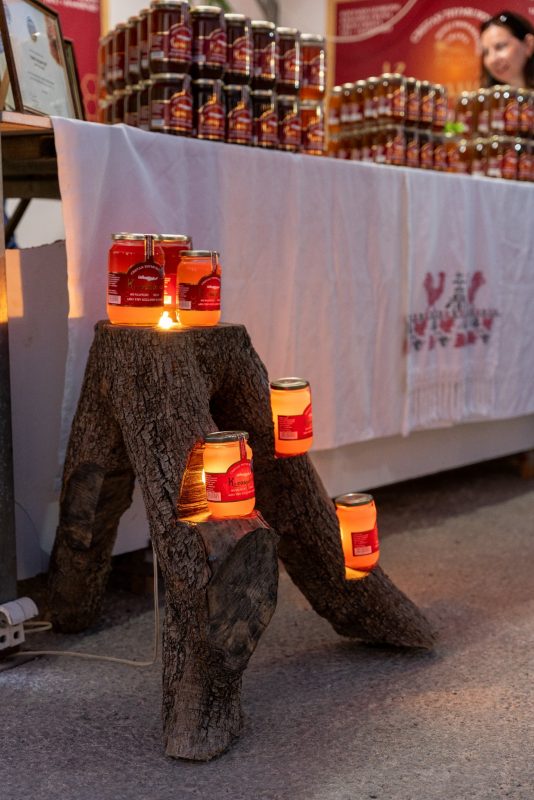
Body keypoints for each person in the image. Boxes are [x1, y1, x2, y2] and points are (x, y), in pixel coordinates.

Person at [479, 10, 534, 88]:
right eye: (486, 52)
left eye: (500, 47)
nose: (492, 59)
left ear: (528, 44)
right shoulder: (486, 95)